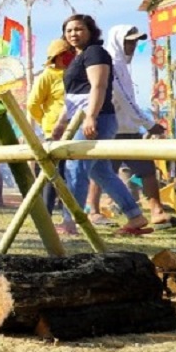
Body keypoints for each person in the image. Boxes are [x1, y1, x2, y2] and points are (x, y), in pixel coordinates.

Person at [52, 14, 152, 235]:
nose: (73, 34)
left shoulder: (95, 53)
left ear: (91, 31)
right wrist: (60, 123)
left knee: (76, 167)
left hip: (97, 118)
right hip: (83, 117)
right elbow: (74, 95)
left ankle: (71, 222)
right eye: (69, 30)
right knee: (101, 171)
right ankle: (135, 216)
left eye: (79, 29)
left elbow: (99, 86)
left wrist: (91, 116)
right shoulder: (78, 57)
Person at [98, 24, 176, 229]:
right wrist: (149, 124)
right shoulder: (111, 64)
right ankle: (93, 212)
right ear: (117, 41)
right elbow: (123, 99)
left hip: (129, 130)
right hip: (112, 129)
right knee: (100, 172)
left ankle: (157, 213)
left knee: (147, 171)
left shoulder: (123, 66)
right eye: (128, 41)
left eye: (134, 42)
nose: (132, 45)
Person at [26, 38, 74, 225]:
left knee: (71, 175)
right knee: (52, 174)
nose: (67, 56)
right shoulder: (47, 75)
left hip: (75, 130)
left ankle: (69, 215)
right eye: (64, 54)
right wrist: (46, 122)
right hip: (54, 132)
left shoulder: (75, 72)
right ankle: (46, 214)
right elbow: (33, 104)